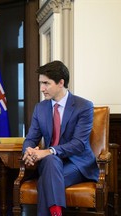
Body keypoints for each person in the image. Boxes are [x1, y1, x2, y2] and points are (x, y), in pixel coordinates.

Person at [22, 61, 99, 216]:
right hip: (51, 163)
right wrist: (28, 152)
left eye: (46, 83)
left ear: (61, 82)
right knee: (51, 161)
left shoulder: (83, 106)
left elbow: (78, 144)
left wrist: (48, 151)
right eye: (41, 83)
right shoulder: (40, 108)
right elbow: (30, 138)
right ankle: (56, 212)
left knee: (46, 180)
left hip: (77, 163)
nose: (42, 88)